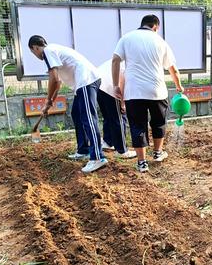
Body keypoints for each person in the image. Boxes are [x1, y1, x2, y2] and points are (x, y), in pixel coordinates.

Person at [112, 14, 184, 173]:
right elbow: (173, 68)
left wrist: (116, 85)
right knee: (158, 122)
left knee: (138, 126)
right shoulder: (160, 41)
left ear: (142, 24)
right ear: (155, 27)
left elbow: (115, 60)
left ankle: (142, 163)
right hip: (156, 91)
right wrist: (179, 86)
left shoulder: (127, 38)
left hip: (134, 92)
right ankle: (158, 153)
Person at [28, 35, 107, 174]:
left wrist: (47, 100)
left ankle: (98, 157)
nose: (35, 55)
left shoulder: (48, 51)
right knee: (76, 114)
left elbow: (54, 78)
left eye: (33, 52)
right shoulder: (53, 51)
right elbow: (57, 83)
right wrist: (50, 102)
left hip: (87, 80)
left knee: (88, 118)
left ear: (35, 47)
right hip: (81, 84)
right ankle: (83, 150)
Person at [96, 60, 137, 159]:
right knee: (119, 118)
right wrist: (122, 103)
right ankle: (122, 150)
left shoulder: (120, 58)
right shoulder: (130, 62)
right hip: (110, 87)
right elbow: (122, 81)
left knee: (108, 116)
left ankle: (108, 141)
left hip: (98, 84)